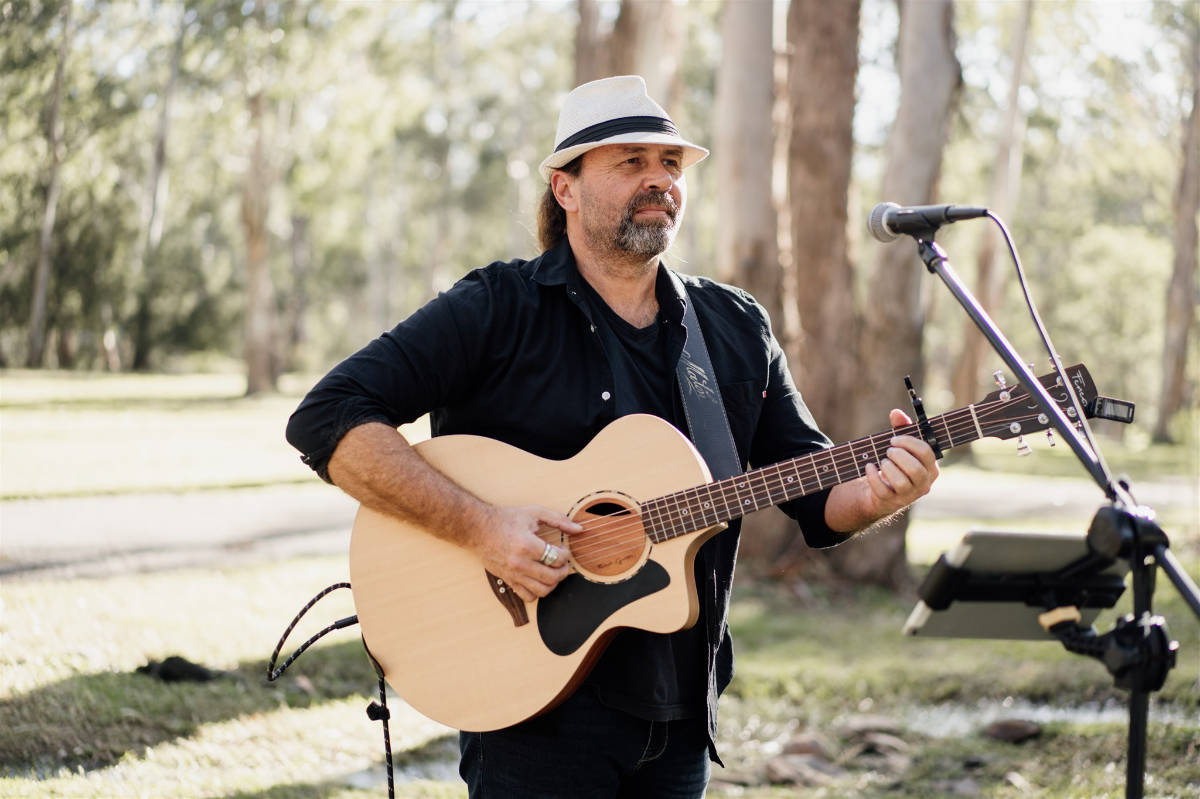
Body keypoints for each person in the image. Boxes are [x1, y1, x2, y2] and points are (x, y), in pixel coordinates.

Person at [286, 75, 939, 798]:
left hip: (682, 707)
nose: (659, 180)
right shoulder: (499, 309)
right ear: (565, 187)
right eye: (631, 161)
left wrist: (882, 494)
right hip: (531, 711)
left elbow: (816, 494)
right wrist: (481, 527)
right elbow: (327, 417)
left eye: (670, 164)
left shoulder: (732, 328)